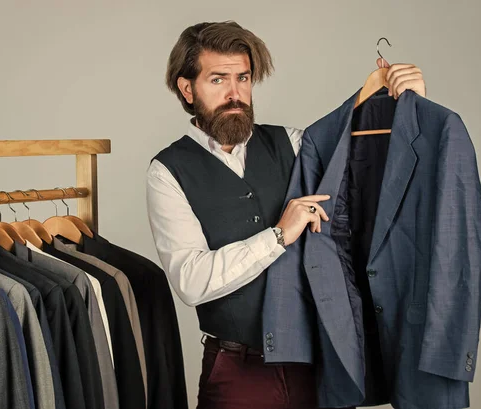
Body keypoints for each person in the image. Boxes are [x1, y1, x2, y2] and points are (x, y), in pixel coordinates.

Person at [146, 21, 426, 409]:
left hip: (317, 360)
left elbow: (372, 172)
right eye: (218, 80)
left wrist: (408, 108)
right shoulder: (167, 172)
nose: (235, 94)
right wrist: (278, 235)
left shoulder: (295, 144)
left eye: (243, 78)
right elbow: (191, 280)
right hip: (235, 370)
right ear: (187, 88)